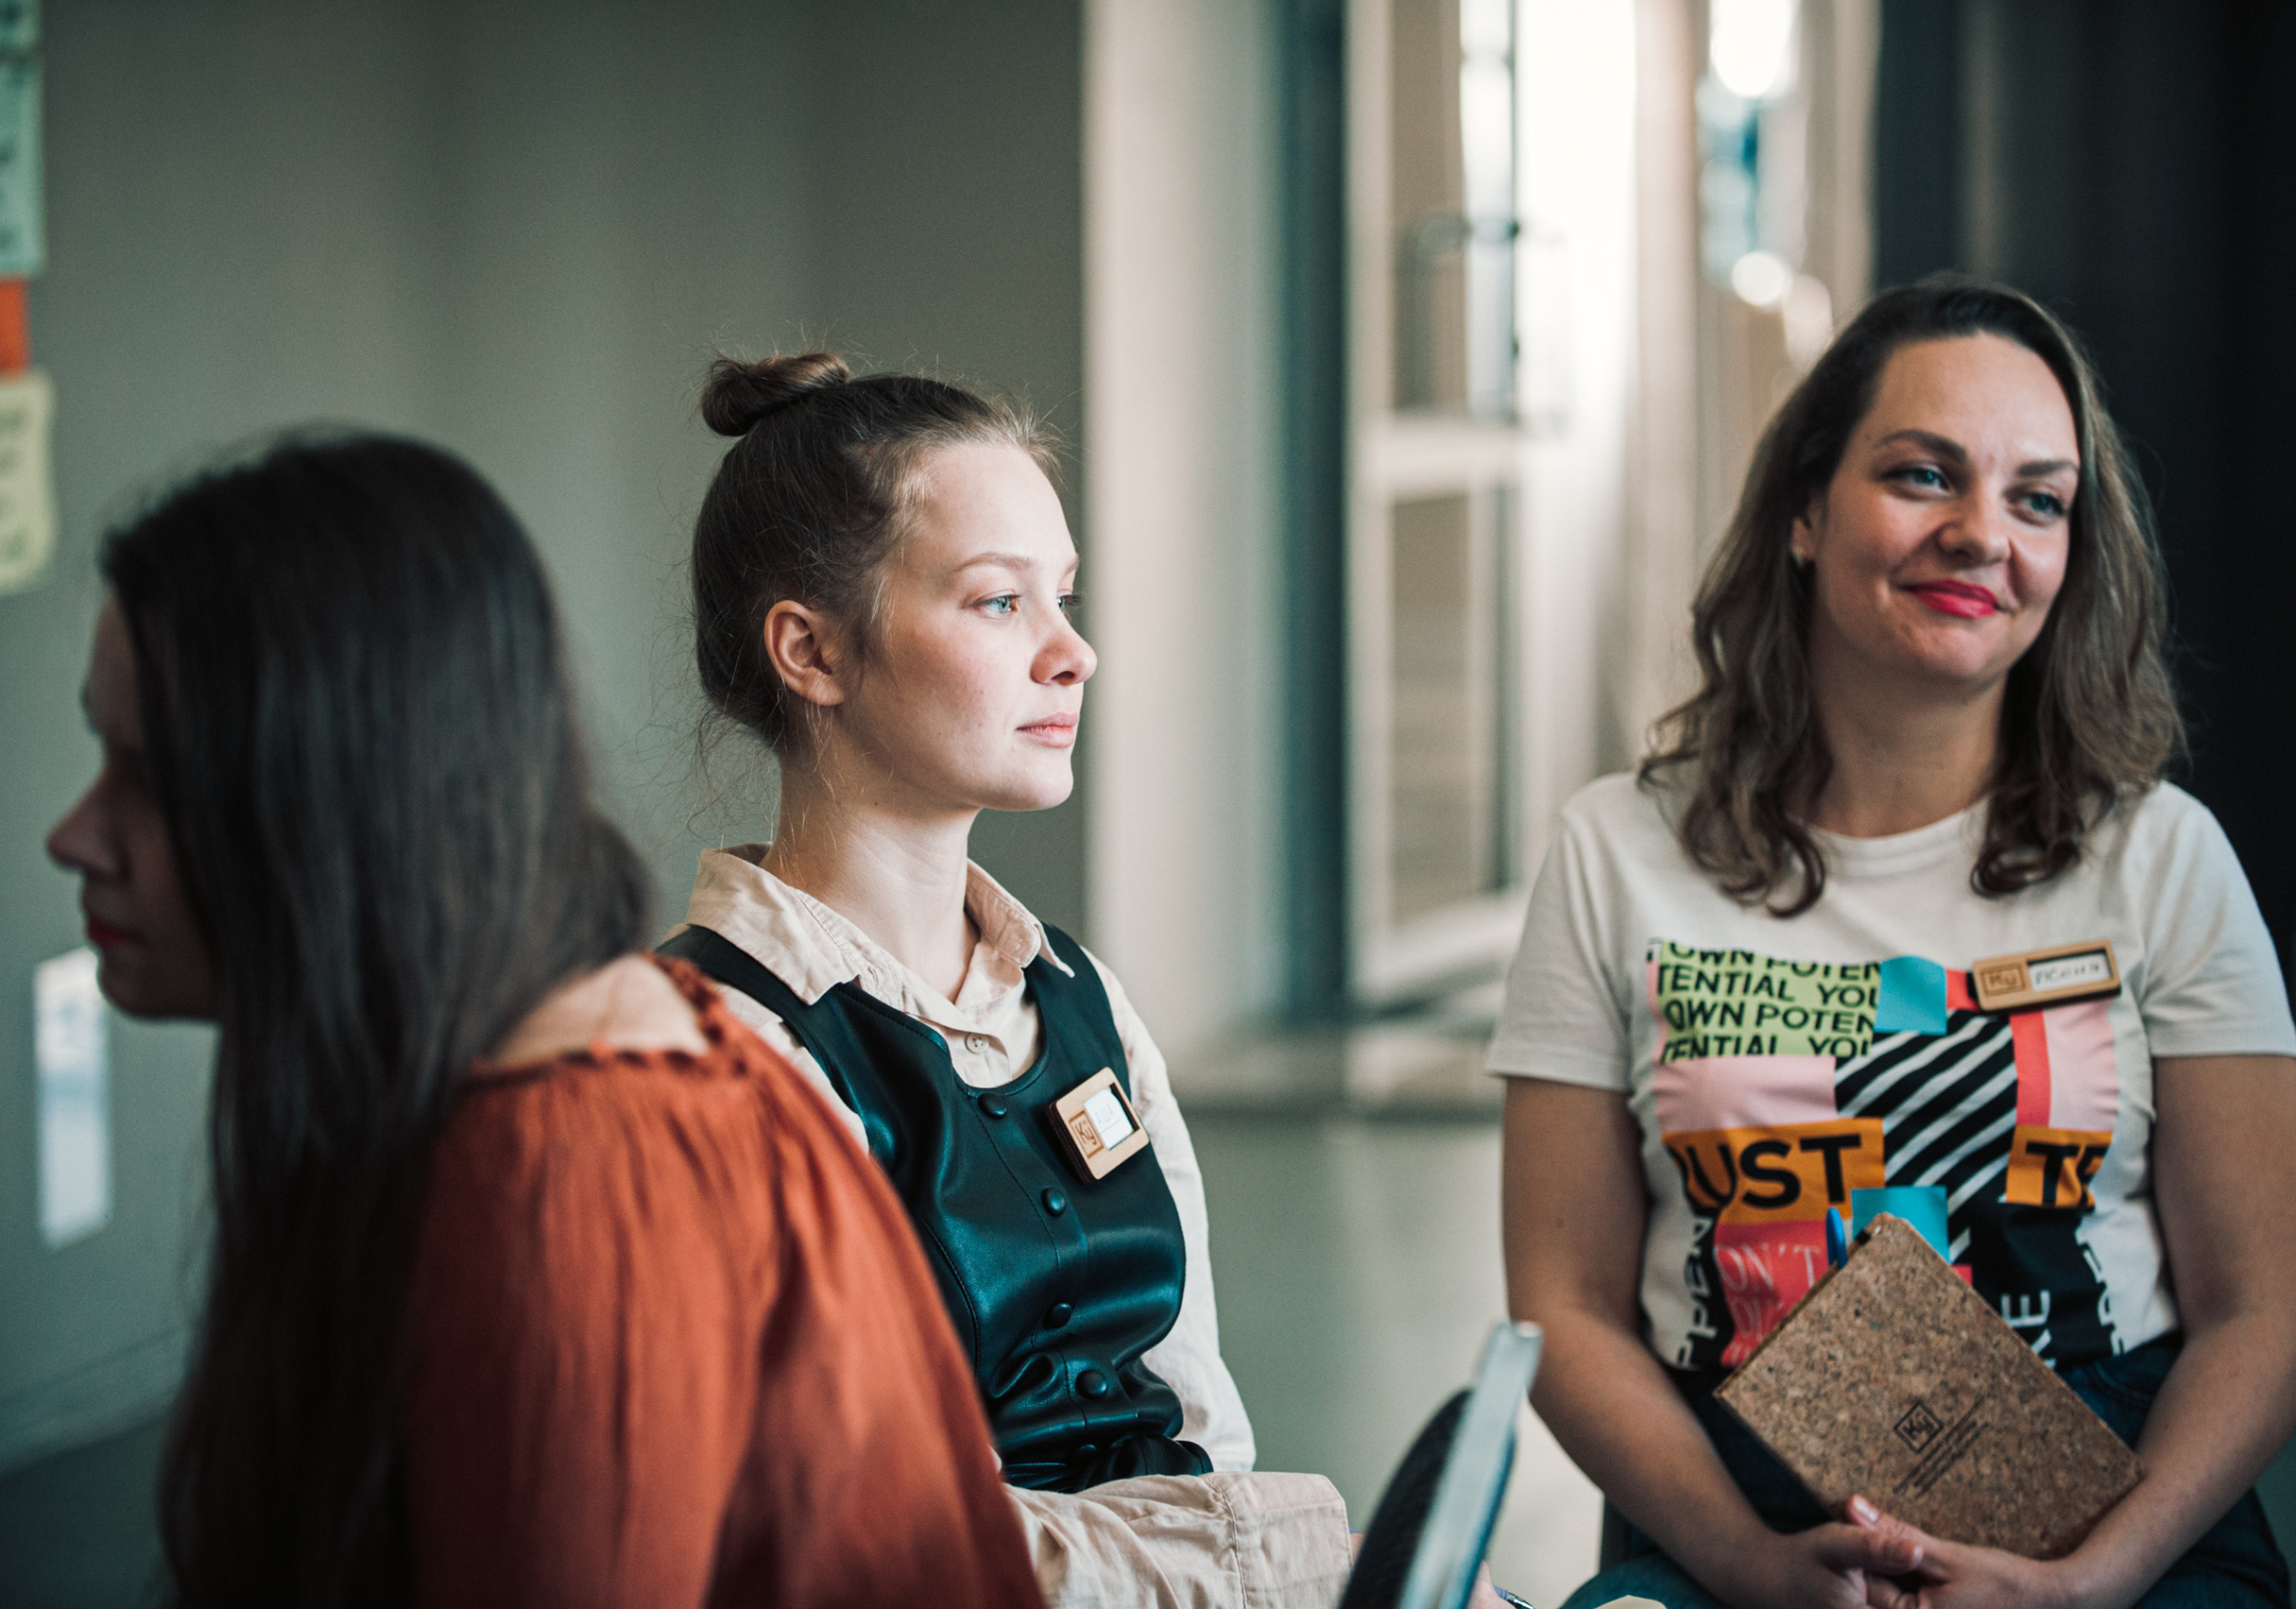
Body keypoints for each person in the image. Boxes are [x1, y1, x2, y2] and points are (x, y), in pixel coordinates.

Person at [44, 436, 1048, 1609]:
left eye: (148, 775)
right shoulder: (543, 1074)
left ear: (336, 797)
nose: (75, 833)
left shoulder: (568, 1188)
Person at [1491, 278, 2296, 1609]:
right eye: (1925, 474)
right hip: (1739, 1510)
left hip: (2116, 1505)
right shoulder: (1613, 849)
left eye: (2039, 499)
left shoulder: (2163, 856)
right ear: (1805, 513)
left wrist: (2084, 1585)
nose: (1982, 533)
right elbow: (1567, 1311)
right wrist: (1751, 1565)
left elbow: (2265, 1322)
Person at [662, 352, 1369, 1608]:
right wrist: (1286, 1563)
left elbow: (1204, 1422)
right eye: (999, 602)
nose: (1074, 652)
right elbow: (877, 1553)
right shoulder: (723, 1054)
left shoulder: (1081, 996)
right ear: (810, 651)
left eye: (1066, 596)